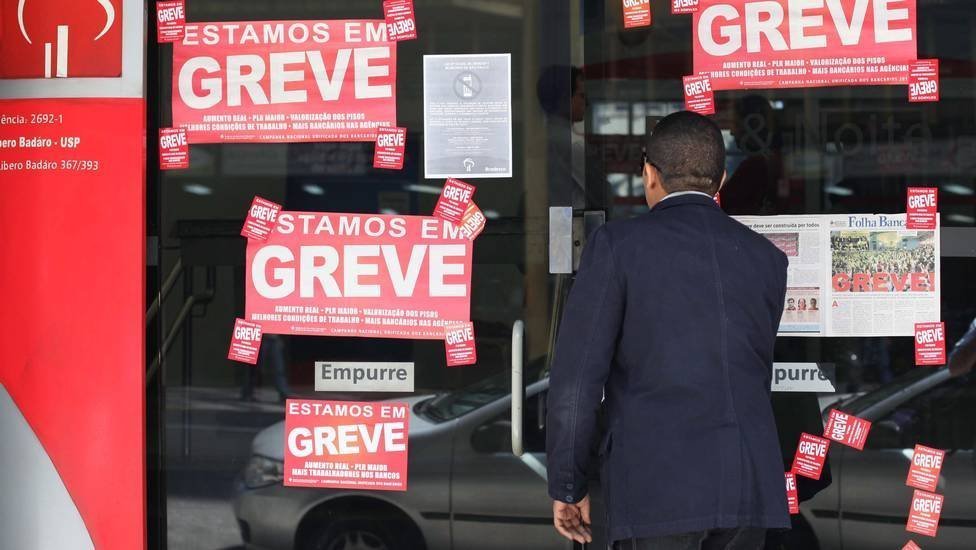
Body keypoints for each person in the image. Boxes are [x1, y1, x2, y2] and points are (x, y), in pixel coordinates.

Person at [546, 111, 791, 549]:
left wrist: (568, 483)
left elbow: (578, 381)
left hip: (656, 486)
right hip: (749, 487)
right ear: (721, 181)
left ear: (649, 174)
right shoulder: (766, 258)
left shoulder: (617, 247)